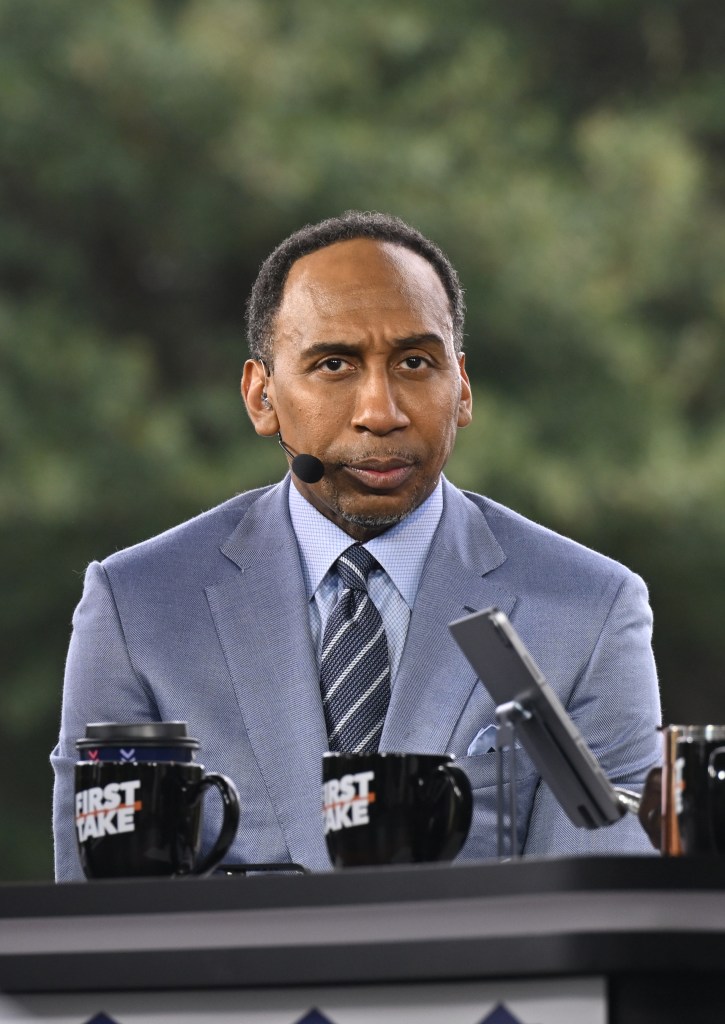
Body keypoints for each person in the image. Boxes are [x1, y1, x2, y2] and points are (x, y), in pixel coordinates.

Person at [51, 211, 662, 880]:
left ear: (460, 389)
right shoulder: (136, 607)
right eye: (334, 364)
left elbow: (588, 911)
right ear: (262, 398)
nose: (380, 411)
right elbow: (106, 923)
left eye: (415, 362)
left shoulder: (589, 609)